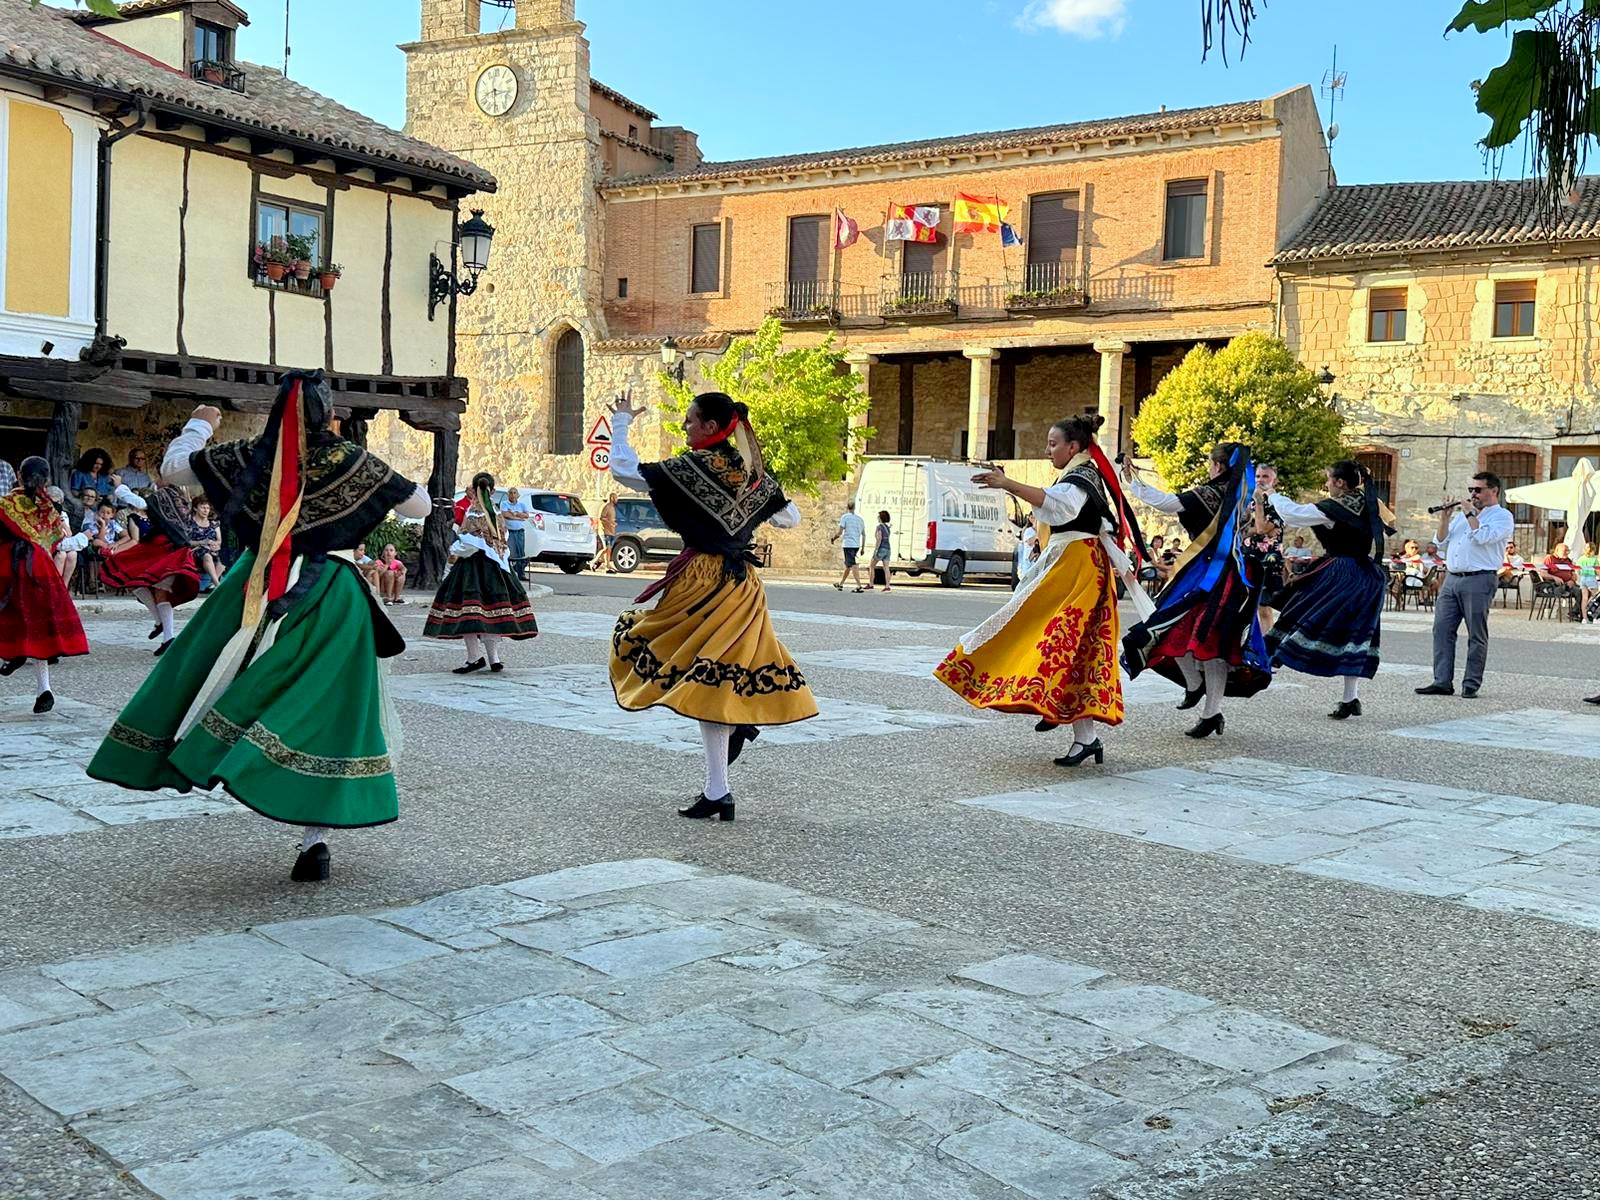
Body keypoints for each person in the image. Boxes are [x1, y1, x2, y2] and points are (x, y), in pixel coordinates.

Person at [87, 370, 432, 883]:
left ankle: (213, 751)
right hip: (331, 593)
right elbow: (420, 507)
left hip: (255, 586)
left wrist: (201, 425)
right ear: (329, 413)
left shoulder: (250, 455)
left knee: (217, 675)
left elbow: (174, 469)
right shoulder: (350, 460)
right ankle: (314, 839)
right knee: (330, 708)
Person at [607, 389, 817, 820]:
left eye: (689, 420)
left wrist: (624, 421)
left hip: (700, 582)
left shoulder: (689, 468)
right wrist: (754, 501)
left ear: (708, 427)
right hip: (741, 587)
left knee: (654, 648)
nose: (684, 427)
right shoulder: (749, 471)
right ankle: (717, 790)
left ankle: (718, 789)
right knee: (713, 683)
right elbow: (789, 518)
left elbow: (624, 470)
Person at [934, 414, 1139, 768]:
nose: (1048, 450)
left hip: (1080, 570)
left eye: (1053, 444)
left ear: (1073, 447)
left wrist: (1008, 483)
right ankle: (1083, 736)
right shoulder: (1078, 475)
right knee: (1071, 648)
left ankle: (1058, 708)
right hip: (1069, 566)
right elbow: (1054, 512)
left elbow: (1059, 507)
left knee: (1058, 641)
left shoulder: (1081, 477)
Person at [1121, 444, 1271, 738]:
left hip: (1207, 572)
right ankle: (1200, 694)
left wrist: (1131, 481)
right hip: (1233, 575)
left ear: (1217, 466)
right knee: (1213, 643)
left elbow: (1165, 502)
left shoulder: (1209, 493)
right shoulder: (1241, 496)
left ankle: (1208, 706)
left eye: (1210, 464)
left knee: (1171, 626)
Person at [1262, 460, 1389, 719]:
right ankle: (1350, 699)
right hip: (1368, 575)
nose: (1327, 484)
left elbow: (1292, 514)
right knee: (1353, 634)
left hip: (1343, 573)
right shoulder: (1370, 501)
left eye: (1329, 480)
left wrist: (1272, 494)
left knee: (1303, 613)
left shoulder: (1335, 507)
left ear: (1340, 483)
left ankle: (1269, 660)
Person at [0, 458, 90, 713]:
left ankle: (14, 654)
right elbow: (55, 540)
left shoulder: (5, 504)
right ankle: (44, 690)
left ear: (19, 475)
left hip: (8, 566)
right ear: (47, 478)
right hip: (41, 566)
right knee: (39, 626)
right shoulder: (49, 507)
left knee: (11, 617)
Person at [1417, 471, 1517, 700]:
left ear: (1494, 491)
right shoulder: (1462, 516)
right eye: (1471, 490)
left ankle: (1471, 683)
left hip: (1479, 579)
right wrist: (1445, 518)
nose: (1473, 494)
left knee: (1476, 633)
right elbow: (1440, 542)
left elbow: (1483, 537)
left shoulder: (1502, 516)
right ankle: (1442, 681)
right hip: (1452, 578)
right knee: (1441, 629)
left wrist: (1471, 513)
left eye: (1478, 490)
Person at [424, 472, 538, 672]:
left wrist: (454, 551)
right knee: (492, 612)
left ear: (473, 490)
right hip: (497, 568)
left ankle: (474, 658)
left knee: (469, 614)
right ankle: (494, 659)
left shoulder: (474, 512)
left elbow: (470, 543)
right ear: (492, 491)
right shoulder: (497, 513)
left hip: (472, 568)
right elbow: (502, 541)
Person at [101, 478, 201, 656]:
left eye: (160, 475)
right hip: (160, 548)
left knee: (154, 587)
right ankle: (163, 630)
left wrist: (119, 487)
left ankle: (166, 633)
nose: (156, 479)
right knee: (140, 582)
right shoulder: (180, 498)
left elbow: (141, 503)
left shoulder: (167, 496)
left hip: (167, 550)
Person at [1248, 464, 1287, 634]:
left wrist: (1258, 503)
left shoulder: (1278, 503)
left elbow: (1261, 528)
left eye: (1265, 477)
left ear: (1274, 481)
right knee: (1249, 607)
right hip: (1248, 556)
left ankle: (1266, 647)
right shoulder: (1248, 501)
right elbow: (1242, 528)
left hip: (1268, 561)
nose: (1260, 480)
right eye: (1258, 476)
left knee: (1264, 607)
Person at [188, 496, 224, 589]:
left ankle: (213, 582)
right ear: (195, 508)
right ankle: (217, 585)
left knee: (226, 555)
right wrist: (202, 542)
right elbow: (187, 541)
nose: (206, 510)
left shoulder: (214, 523)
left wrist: (216, 545)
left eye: (207, 508)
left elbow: (219, 540)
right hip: (196, 550)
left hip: (213, 549)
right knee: (207, 556)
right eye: (203, 507)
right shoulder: (189, 523)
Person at [831, 500, 867, 592]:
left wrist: (833, 539)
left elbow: (840, 532)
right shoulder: (860, 519)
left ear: (847, 507)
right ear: (854, 508)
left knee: (853, 565)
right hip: (856, 545)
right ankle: (841, 584)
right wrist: (863, 548)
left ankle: (859, 586)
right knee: (848, 565)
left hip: (848, 544)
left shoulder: (845, 517)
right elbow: (864, 534)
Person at [499, 486, 532, 578]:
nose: (513, 495)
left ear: (518, 495)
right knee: (509, 552)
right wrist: (518, 517)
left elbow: (526, 516)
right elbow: (505, 515)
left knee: (520, 552)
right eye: (511, 493)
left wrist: (515, 513)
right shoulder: (504, 504)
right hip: (510, 531)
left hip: (519, 532)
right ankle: (508, 573)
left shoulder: (522, 505)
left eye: (514, 493)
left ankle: (521, 573)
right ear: (508, 494)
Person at [592, 493, 618, 572]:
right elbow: (601, 517)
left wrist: (613, 523)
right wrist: (609, 522)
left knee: (609, 549)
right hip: (604, 531)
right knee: (606, 548)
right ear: (611, 497)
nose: (617, 499)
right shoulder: (605, 506)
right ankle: (594, 561)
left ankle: (607, 566)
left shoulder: (612, 507)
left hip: (611, 531)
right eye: (616, 497)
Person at [869, 509, 892, 590]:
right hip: (888, 548)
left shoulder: (879, 527)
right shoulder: (887, 528)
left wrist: (876, 550)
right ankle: (887, 585)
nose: (877, 517)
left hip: (881, 548)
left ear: (881, 517)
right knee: (886, 567)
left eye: (878, 516)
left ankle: (871, 584)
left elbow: (879, 538)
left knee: (872, 566)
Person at [1579, 540, 1599, 625]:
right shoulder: (1594, 560)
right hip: (1591, 579)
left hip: (1583, 579)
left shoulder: (1581, 559)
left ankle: (1584, 618)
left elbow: (1579, 571)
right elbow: (1598, 572)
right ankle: (1594, 617)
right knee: (1595, 597)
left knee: (1584, 598)